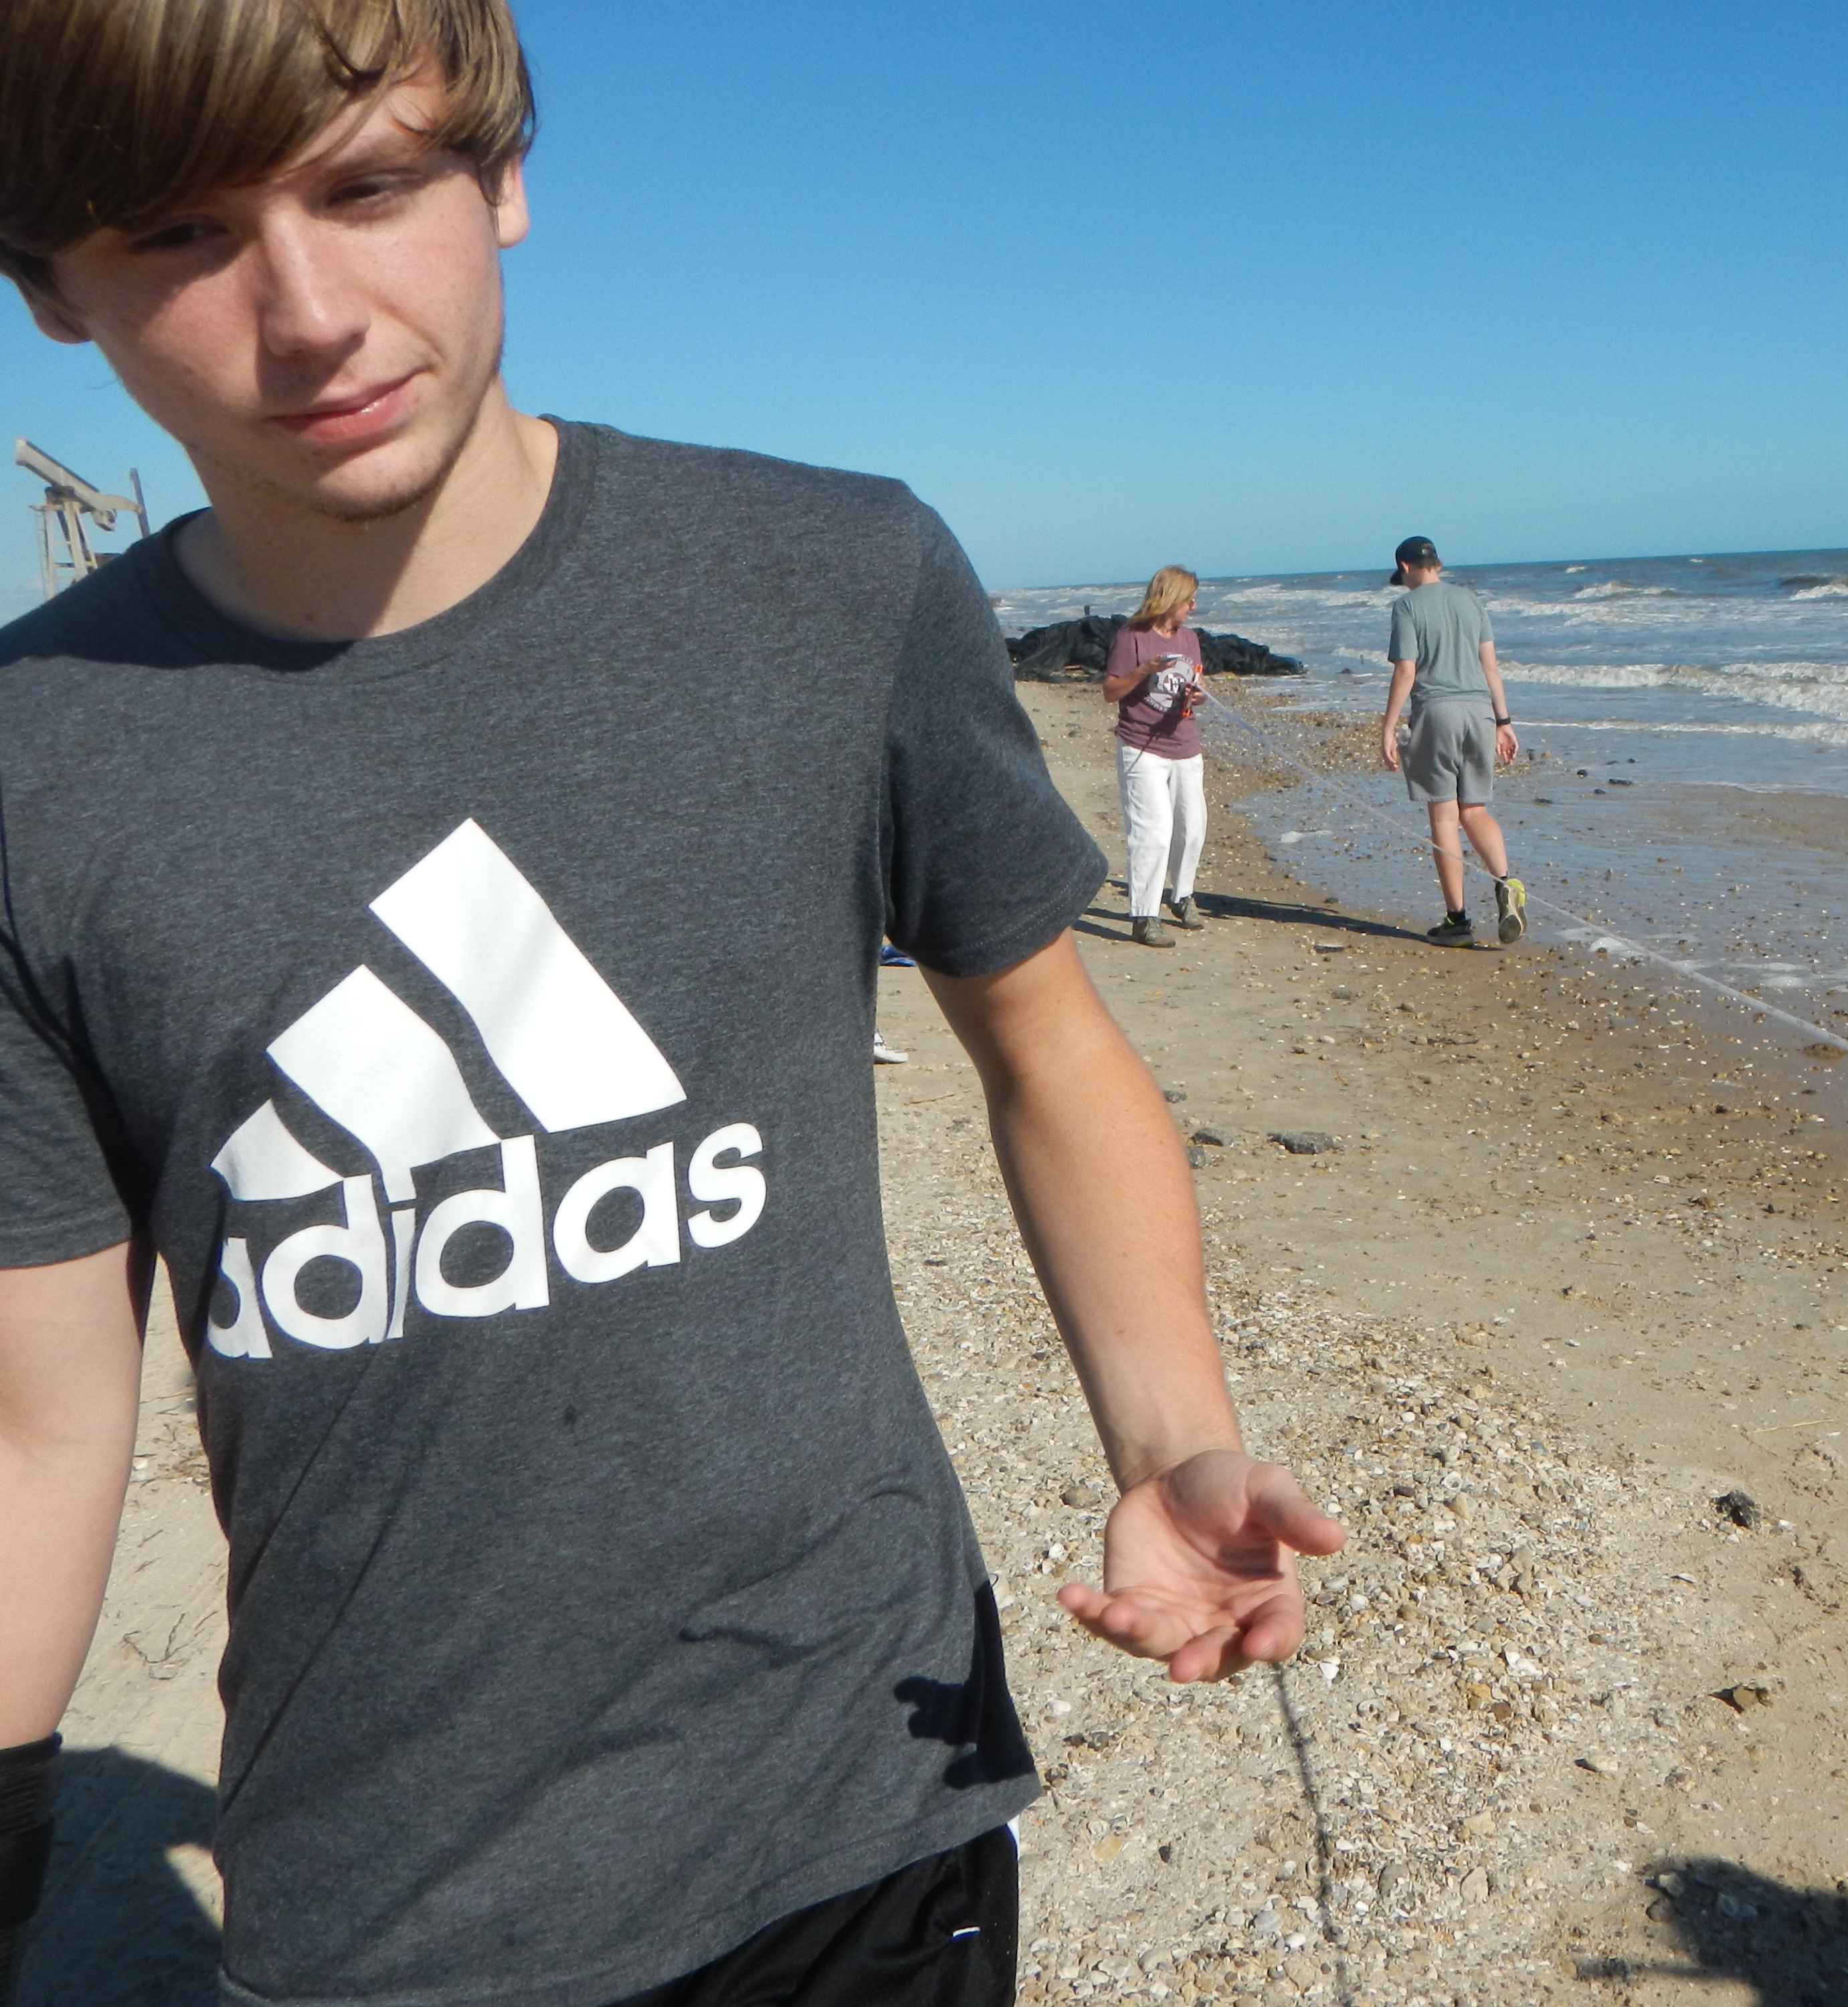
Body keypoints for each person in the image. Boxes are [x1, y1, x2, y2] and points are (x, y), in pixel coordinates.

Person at [0, 7, 1342, 2006]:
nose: (311, 316)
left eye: (370, 186)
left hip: (855, 1787)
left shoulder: (831, 582)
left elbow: (1047, 1042)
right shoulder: (36, 766)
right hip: (384, 1883)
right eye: (183, 236)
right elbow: (35, 1417)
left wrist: (1169, 1440)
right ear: (49, 286)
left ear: (501, 175)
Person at [1376, 537, 1527, 947]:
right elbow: (1490, 665)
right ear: (1437, 565)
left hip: (1437, 712)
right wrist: (1504, 722)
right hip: (1480, 713)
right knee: (1475, 810)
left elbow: (1406, 670)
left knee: (1445, 817)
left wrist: (1388, 727)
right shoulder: (1471, 601)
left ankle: (1457, 922)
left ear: (1405, 568)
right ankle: (1506, 884)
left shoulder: (1407, 606)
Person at [1101, 566, 1209, 947]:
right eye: (1189, 600)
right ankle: (1144, 916)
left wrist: (1198, 695)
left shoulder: (1190, 638)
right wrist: (1145, 670)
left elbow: (1197, 683)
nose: (1193, 607)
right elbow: (1110, 692)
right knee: (1154, 833)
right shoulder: (1131, 638)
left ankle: (1182, 896)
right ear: (1170, 599)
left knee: (1192, 828)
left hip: (1185, 745)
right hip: (1141, 747)